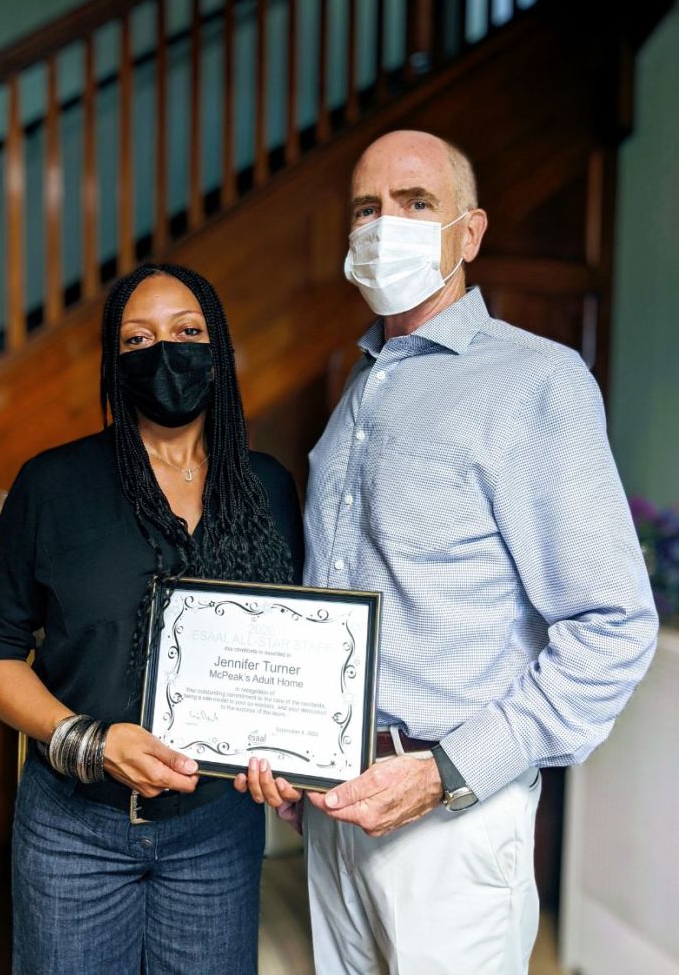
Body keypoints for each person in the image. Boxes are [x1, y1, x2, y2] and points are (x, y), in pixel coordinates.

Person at [237, 130, 658, 974]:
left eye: (416, 202)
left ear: (470, 233)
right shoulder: (360, 394)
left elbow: (614, 626)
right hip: (337, 806)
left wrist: (444, 774)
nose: (384, 224)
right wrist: (298, 747)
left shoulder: (536, 382)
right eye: (367, 208)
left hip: (451, 820)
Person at [0, 263, 304, 975]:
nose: (165, 352)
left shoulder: (267, 486)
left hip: (217, 829)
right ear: (114, 365)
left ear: (219, 350)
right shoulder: (52, 485)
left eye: (187, 332)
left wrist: (291, 753)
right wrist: (89, 742)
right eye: (138, 339)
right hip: (74, 830)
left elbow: (290, 652)